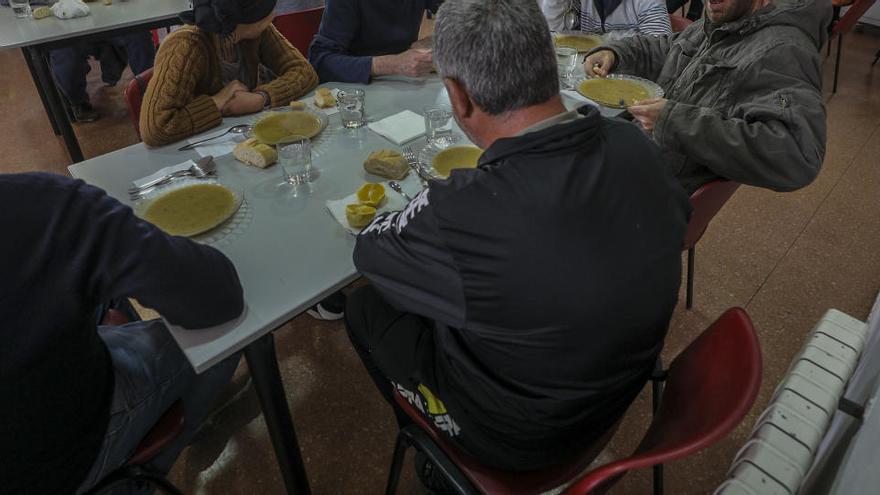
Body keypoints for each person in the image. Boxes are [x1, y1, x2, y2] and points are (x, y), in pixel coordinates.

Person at [345, 0, 690, 477]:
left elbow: (371, 250)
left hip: (523, 443)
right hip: (620, 392)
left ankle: (441, 463)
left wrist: (439, 204)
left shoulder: (467, 207)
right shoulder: (637, 145)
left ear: (458, 98)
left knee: (366, 308)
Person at [0, 172, 245, 494]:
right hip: (61, 457)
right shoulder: (40, 205)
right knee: (228, 336)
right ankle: (139, 476)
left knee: (105, 286)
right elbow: (216, 297)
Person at [584, 0, 829, 194]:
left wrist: (672, 121)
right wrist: (616, 54)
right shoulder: (723, 22)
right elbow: (669, 49)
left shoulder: (783, 50)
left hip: (656, 194)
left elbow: (798, 156)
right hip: (638, 158)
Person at [139, 0, 318, 147]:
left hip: (245, 139)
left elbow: (304, 71)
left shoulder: (255, 31)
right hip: (197, 150)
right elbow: (156, 127)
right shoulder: (186, 46)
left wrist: (261, 98)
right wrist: (216, 103)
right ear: (247, 18)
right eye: (269, 9)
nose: (274, 14)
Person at [308, 0, 444, 83]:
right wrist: (392, 64)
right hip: (356, 90)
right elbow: (320, 60)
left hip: (404, 83)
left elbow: (459, 13)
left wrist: (437, 40)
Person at [49, 33, 157, 123]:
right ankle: (77, 101)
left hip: (111, 17)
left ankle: (152, 92)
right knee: (66, 58)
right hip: (68, 30)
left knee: (139, 36)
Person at [541, 0, 671, 38]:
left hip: (631, 78)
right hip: (589, 73)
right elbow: (555, 33)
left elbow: (662, 47)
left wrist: (605, 43)